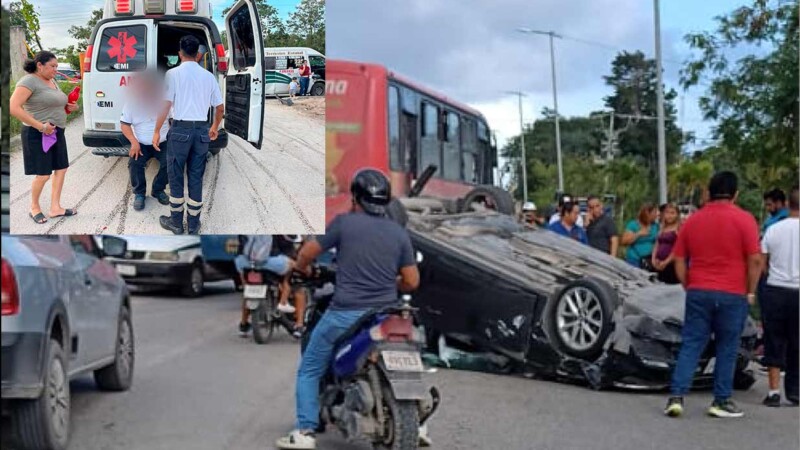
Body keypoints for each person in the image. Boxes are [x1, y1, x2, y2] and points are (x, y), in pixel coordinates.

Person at [275, 169, 420, 450]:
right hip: (386, 313)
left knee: (309, 368)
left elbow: (306, 253)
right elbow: (412, 281)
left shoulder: (344, 224)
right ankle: (419, 425)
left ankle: (305, 430)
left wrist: (301, 270)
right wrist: (390, 281)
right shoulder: (398, 233)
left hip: (347, 312)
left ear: (355, 198)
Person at [664, 171, 761, 419]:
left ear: (708, 191)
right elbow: (755, 260)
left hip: (699, 290)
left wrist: (689, 284)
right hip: (732, 292)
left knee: (692, 343)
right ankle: (721, 400)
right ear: (735, 193)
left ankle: (676, 397)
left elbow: (678, 259)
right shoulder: (745, 220)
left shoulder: (693, 221)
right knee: (727, 347)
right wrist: (750, 290)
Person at [153, 35, 224, 235]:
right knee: (195, 175)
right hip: (202, 131)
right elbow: (220, 108)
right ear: (198, 55)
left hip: (180, 131)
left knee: (175, 175)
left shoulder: (172, 74)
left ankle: (176, 222)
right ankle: (193, 224)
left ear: (180, 53)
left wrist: (157, 130)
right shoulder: (209, 77)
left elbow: (166, 104)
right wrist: (215, 127)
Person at [9, 51, 78, 224]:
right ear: (40, 65)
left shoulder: (52, 80)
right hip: (37, 133)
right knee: (43, 175)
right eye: (53, 66)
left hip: (56, 131)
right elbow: (13, 107)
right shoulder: (29, 81)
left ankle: (55, 208)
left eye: (56, 66)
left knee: (61, 169)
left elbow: (55, 105)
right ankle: (34, 207)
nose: (56, 69)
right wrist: (41, 126)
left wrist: (70, 107)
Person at [759, 187, 799, 407]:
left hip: (776, 288)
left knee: (774, 340)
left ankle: (774, 392)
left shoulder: (773, 229)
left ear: (788, 204)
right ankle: (795, 390)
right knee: (797, 342)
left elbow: (761, 262)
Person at [119, 72, 171, 211]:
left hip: (163, 141)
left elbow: (172, 120)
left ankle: (158, 190)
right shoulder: (131, 103)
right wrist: (134, 142)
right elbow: (124, 124)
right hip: (141, 143)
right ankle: (139, 194)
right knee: (134, 163)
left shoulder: (164, 102)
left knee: (171, 162)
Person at [235, 235, 296, 336]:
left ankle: (243, 324)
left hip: (244, 263)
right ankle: (283, 301)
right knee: (291, 264)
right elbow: (287, 241)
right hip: (269, 262)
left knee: (247, 292)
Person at [621, 203, 659, 270]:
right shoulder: (633, 225)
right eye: (654, 212)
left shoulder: (655, 226)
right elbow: (624, 241)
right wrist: (638, 234)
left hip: (650, 260)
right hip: (634, 259)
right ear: (647, 213)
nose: (656, 215)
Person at [651, 203, 681, 284]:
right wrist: (653, 260)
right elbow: (656, 245)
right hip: (658, 264)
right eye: (667, 212)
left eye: (672, 213)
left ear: (677, 215)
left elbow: (678, 248)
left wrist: (666, 262)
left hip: (672, 266)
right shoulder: (662, 228)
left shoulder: (679, 228)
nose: (669, 215)